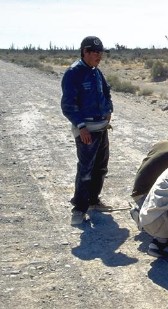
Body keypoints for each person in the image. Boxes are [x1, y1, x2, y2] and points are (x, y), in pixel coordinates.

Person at [61, 36, 113, 225]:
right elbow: (68, 105)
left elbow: (106, 92)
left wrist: (109, 110)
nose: (99, 56)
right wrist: (81, 126)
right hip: (87, 130)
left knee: (100, 167)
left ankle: (93, 201)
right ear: (85, 52)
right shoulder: (74, 73)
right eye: (95, 52)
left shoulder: (96, 72)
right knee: (85, 170)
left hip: (101, 128)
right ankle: (79, 209)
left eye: (101, 53)